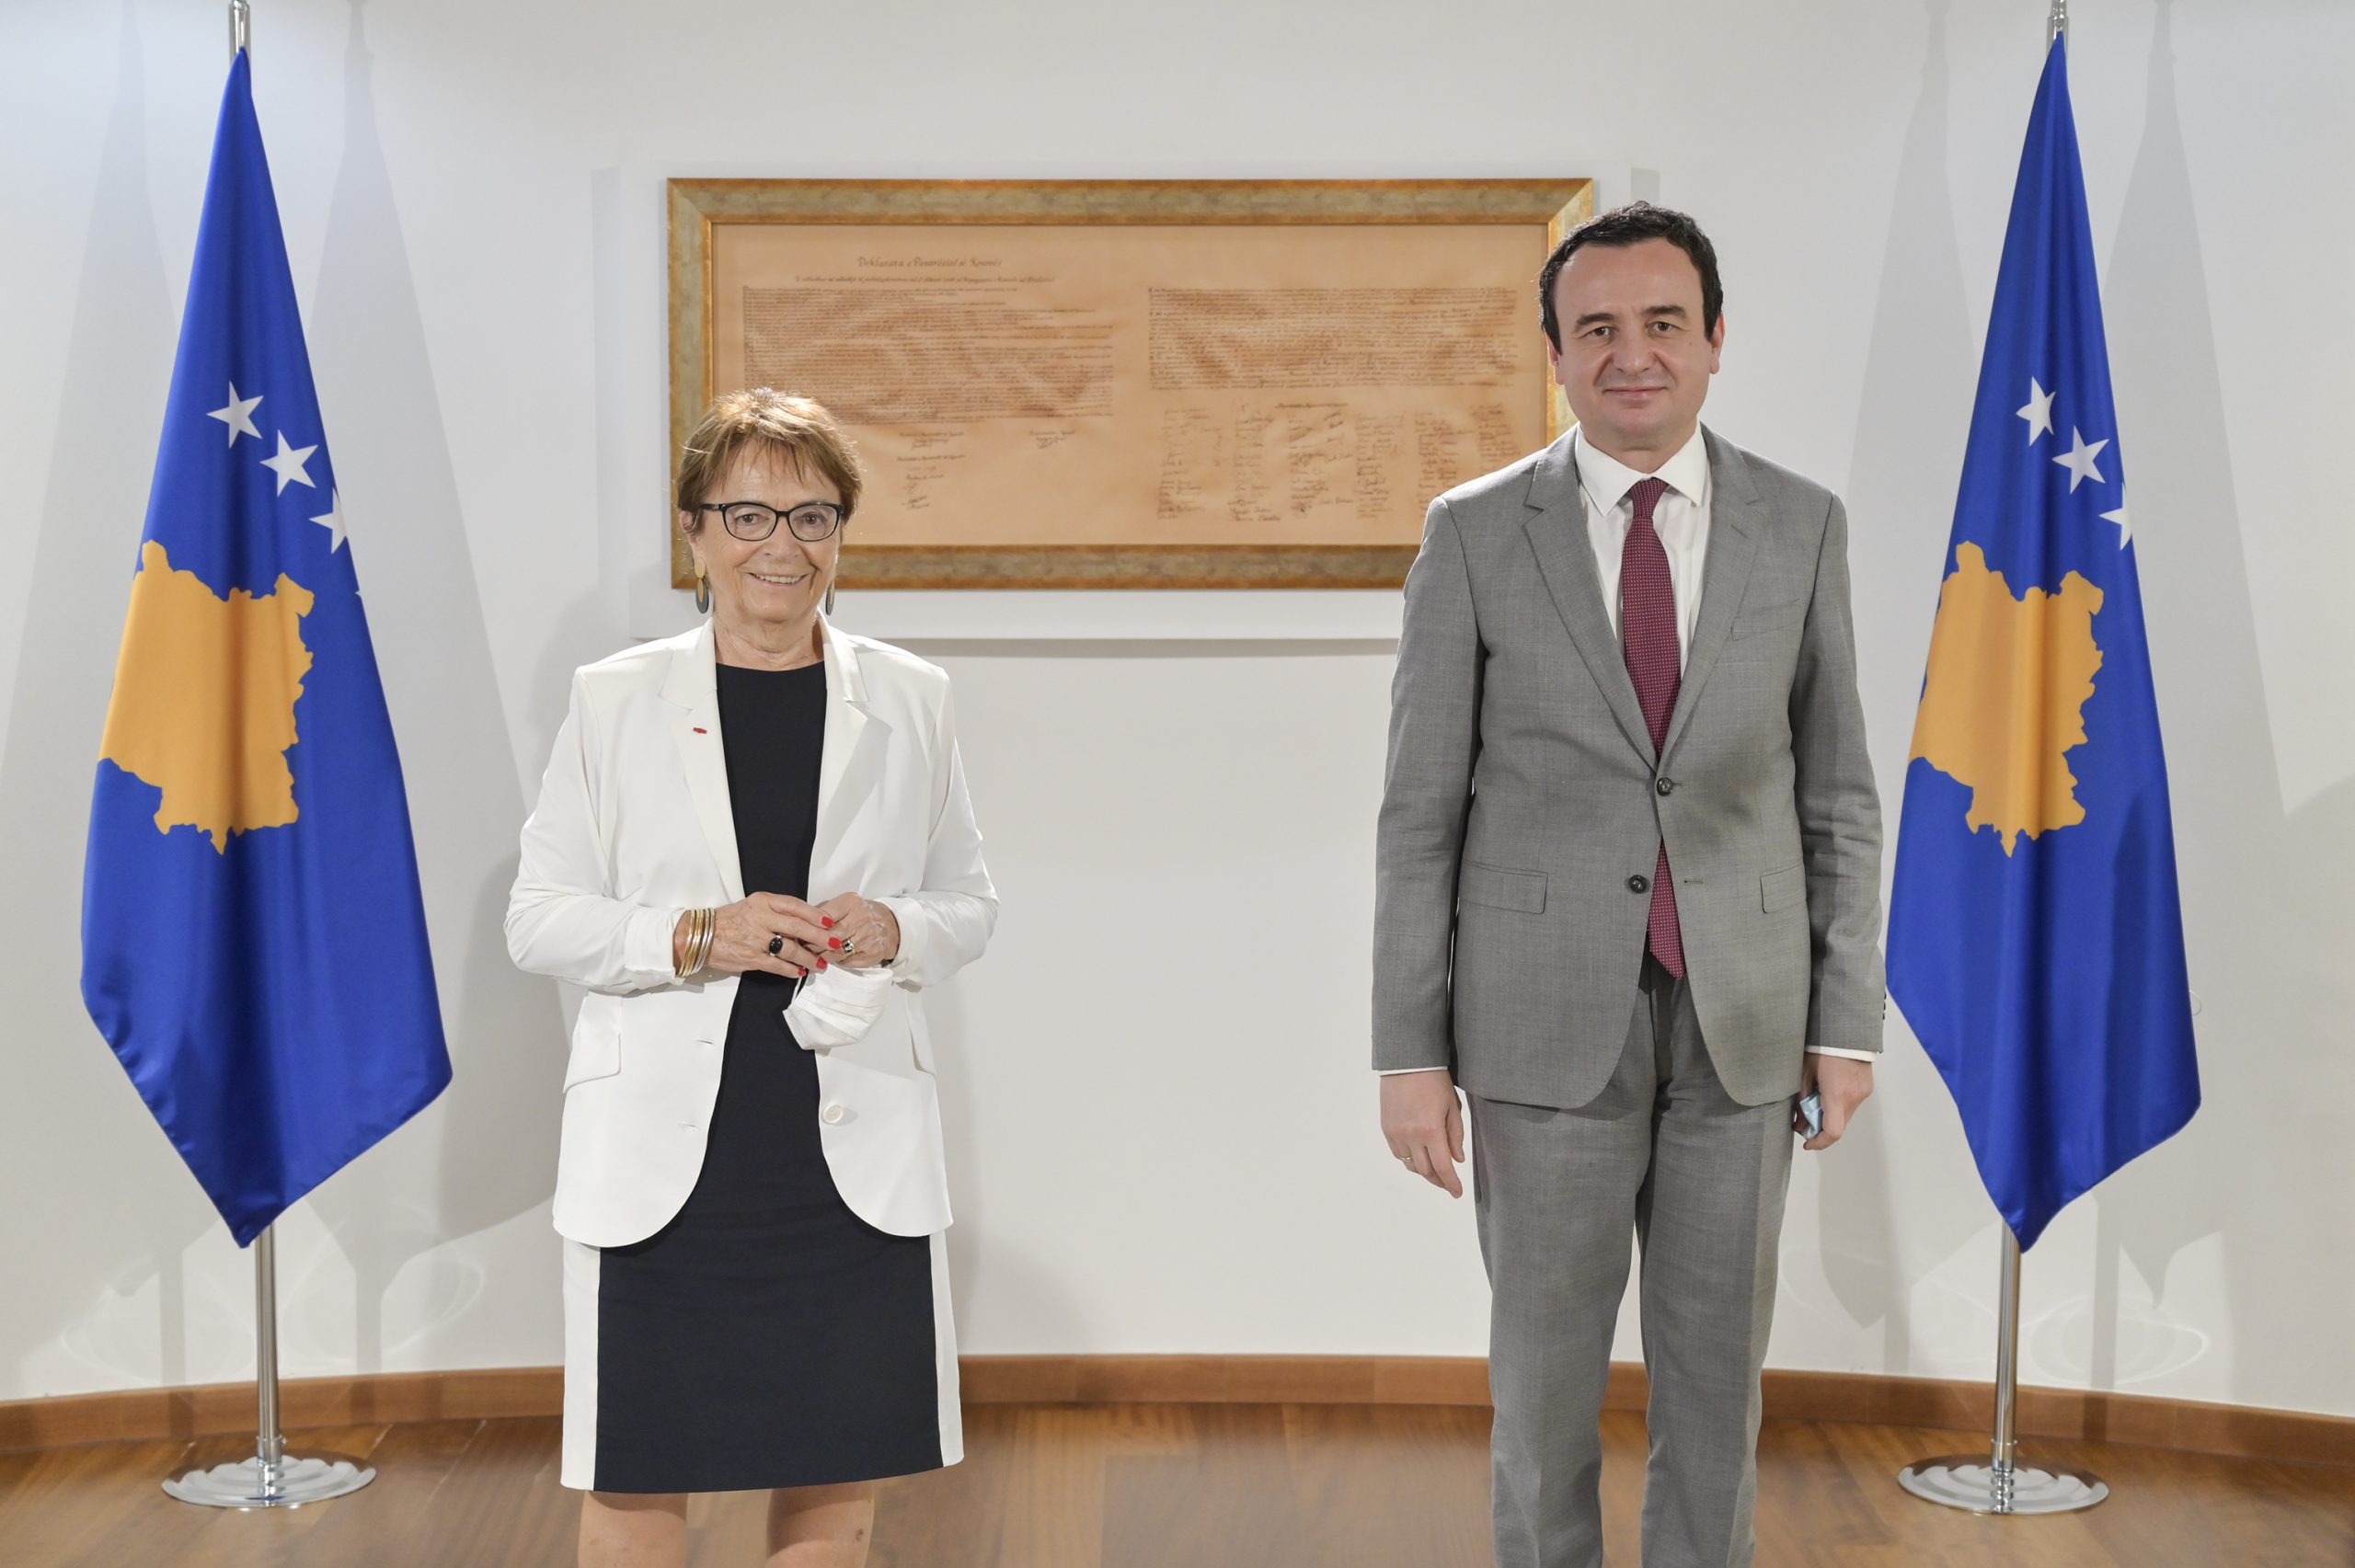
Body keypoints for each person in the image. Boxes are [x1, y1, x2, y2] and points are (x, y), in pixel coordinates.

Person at [1372, 203, 1885, 1568]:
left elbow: (1839, 794)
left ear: (1715, 339)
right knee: (1543, 1395)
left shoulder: (1801, 525)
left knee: (1717, 1389)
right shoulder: (1475, 533)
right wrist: (1409, 1053)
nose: (1632, 353)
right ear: (1556, 353)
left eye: (1663, 322)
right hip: (1540, 1025)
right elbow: (1418, 815)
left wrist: (1845, 1022)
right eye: (1595, 328)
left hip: (1746, 1026)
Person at [506, 389, 997, 1568]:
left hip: (848, 1141)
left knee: (835, 1462)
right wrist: (695, 936)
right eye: (748, 515)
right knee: (638, 1464)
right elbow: (539, 920)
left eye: (812, 515)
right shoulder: (614, 697)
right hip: (667, 1150)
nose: (783, 545)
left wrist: (892, 925)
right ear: (694, 532)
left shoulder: (912, 696)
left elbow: (969, 905)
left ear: (840, 532)